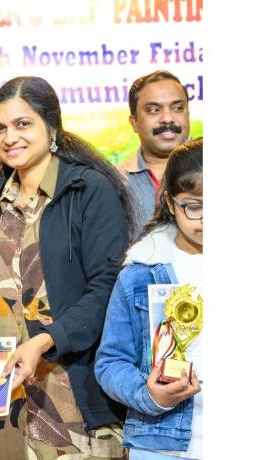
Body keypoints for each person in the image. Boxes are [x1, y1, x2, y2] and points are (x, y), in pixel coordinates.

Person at [0, 76, 135, 459]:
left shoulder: (87, 190)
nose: (9, 137)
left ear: (52, 127)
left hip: (76, 401)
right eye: (0, 128)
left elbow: (107, 289)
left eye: (23, 124)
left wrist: (45, 341)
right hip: (10, 404)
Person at [96, 138, 203, 459]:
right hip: (163, 444)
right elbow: (111, 362)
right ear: (170, 203)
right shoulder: (141, 272)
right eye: (195, 207)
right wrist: (150, 395)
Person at [117, 70, 190, 237]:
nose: (168, 118)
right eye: (154, 110)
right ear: (134, 122)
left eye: (178, 108)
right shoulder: (114, 183)